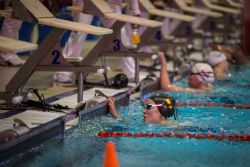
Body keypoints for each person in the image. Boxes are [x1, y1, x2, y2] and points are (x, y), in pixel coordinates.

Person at [107, 94, 177, 124]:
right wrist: (114, 113)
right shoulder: (142, 125)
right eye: (144, 107)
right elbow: (126, 123)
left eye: (148, 107)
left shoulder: (174, 129)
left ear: (162, 110)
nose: (144, 111)